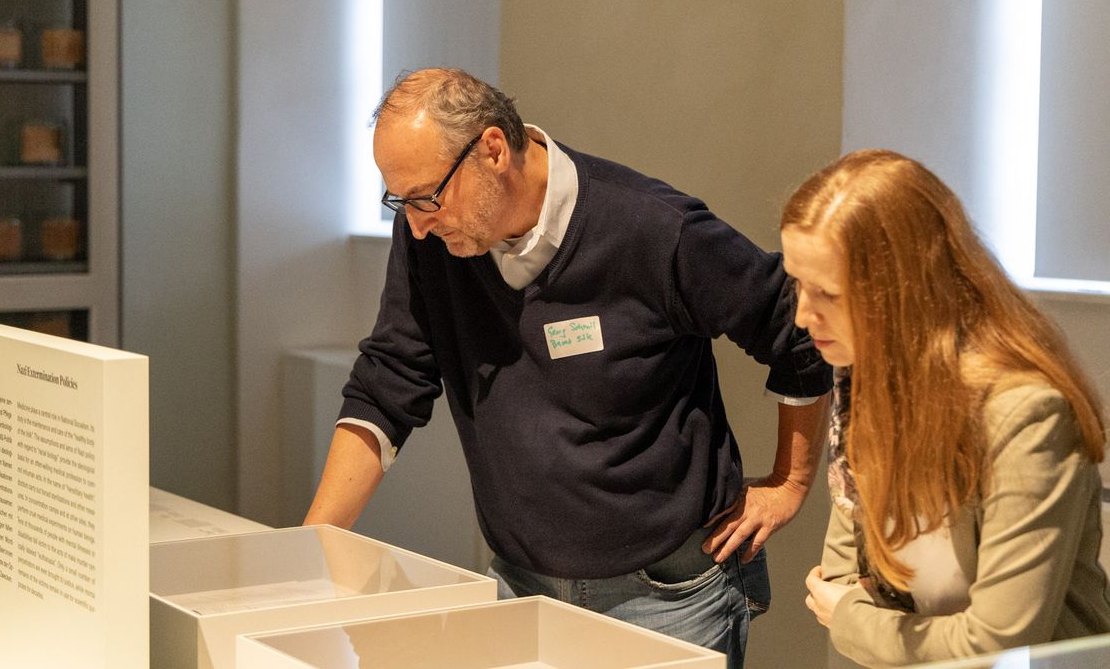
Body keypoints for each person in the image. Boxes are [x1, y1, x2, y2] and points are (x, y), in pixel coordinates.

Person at [304, 67, 833, 667]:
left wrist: (790, 483)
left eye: (427, 198)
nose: (418, 224)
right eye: (401, 203)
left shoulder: (655, 229)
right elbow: (389, 380)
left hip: (670, 597)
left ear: (493, 151)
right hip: (522, 587)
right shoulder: (431, 239)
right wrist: (310, 552)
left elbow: (796, 327)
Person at [784, 149, 1110, 667]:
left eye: (828, 293)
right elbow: (840, 580)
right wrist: (859, 615)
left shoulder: (1026, 413)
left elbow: (995, 641)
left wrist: (855, 618)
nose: (803, 315)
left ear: (904, 292)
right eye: (797, 284)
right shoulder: (864, 385)